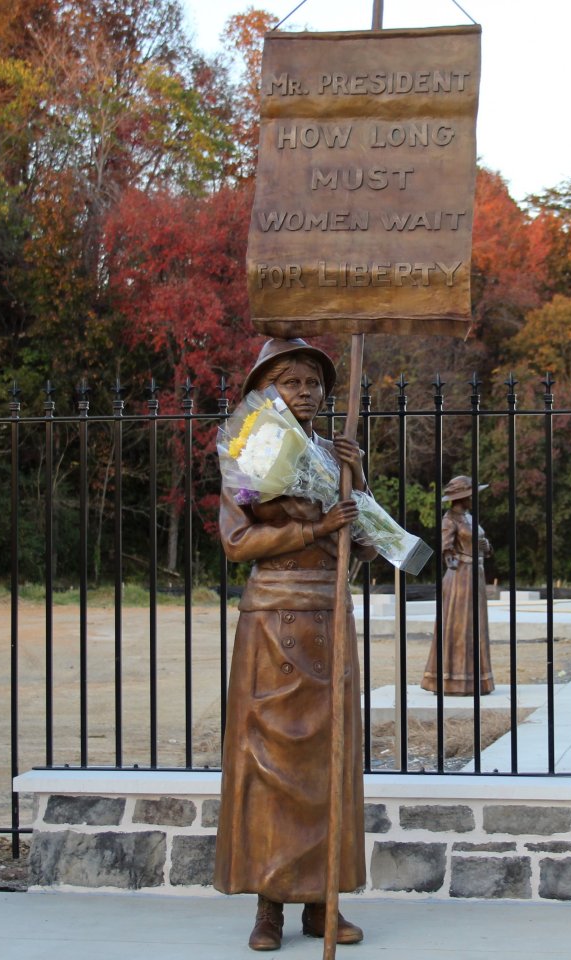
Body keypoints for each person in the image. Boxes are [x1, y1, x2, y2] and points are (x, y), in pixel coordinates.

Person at [212, 337, 371, 951]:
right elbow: (235, 542)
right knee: (269, 768)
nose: (304, 392)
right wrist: (311, 526)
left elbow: (359, 544)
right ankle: (268, 905)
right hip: (271, 618)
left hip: (328, 615)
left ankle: (322, 903)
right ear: (264, 390)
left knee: (327, 766)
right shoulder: (248, 454)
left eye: (313, 382)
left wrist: (356, 497)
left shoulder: (337, 456)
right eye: (290, 381)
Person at [421, 475, 495, 696]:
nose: (474, 497)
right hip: (461, 577)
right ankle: (453, 679)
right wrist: (455, 560)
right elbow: (446, 551)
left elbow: (483, 546)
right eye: (471, 494)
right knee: (459, 627)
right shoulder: (449, 520)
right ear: (462, 497)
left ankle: (477, 679)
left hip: (477, 575)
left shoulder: (470, 518)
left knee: (476, 625)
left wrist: (486, 546)